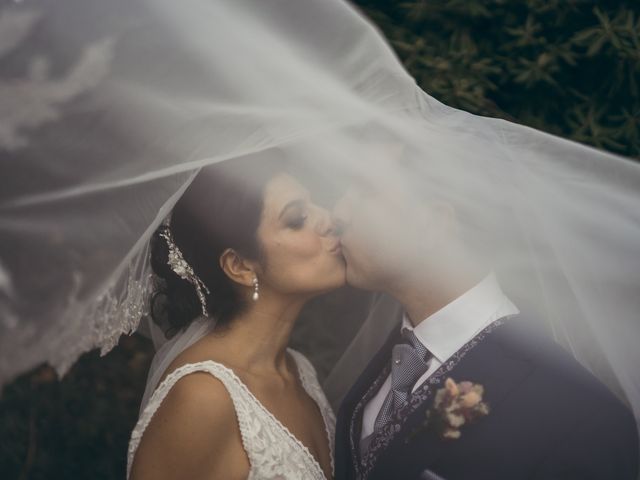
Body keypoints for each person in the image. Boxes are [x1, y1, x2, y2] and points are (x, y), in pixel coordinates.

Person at [330, 153, 639, 480]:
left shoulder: (582, 418)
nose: (338, 212)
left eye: (364, 190)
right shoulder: (393, 357)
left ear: (433, 222)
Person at [127, 153, 343, 480]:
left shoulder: (301, 372)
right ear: (240, 266)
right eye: (298, 218)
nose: (327, 219)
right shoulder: (203, 396)